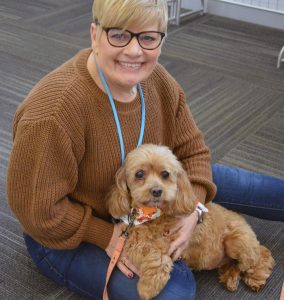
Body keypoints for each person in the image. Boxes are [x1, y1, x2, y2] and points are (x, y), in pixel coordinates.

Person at [6, 0, 284, 299]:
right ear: (94, 34)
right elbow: (38, 213)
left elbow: (194, 152)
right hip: (71, 229)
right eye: (119, 35)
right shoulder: (52, 114)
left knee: (254, 188)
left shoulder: (157, 80)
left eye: (148, 37)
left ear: (161, 41)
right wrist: (106, 235)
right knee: (174, 290)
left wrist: (194, 210)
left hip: (156, 184)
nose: (135, 51)